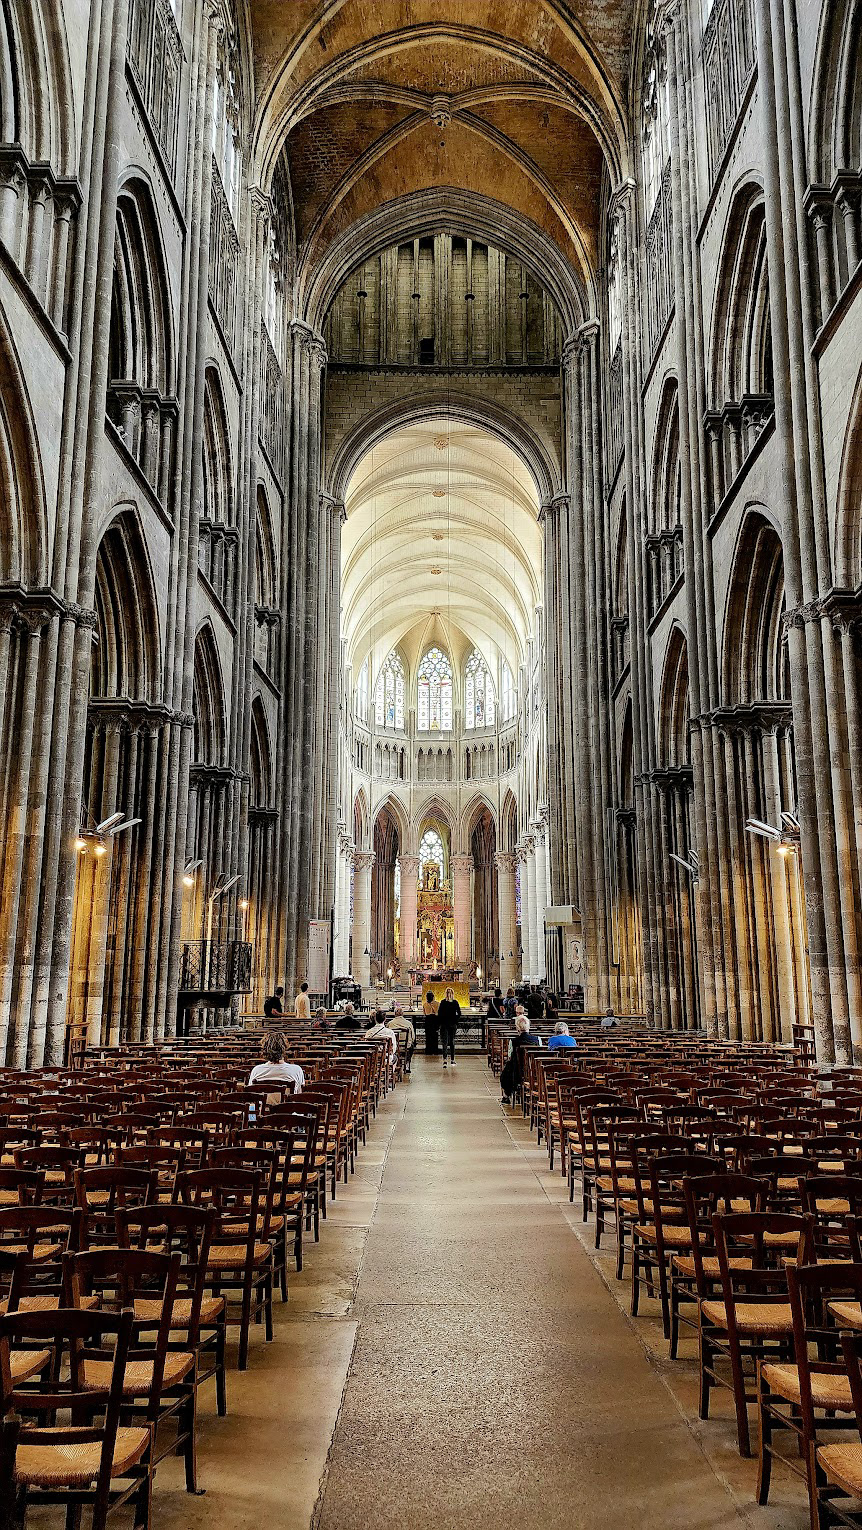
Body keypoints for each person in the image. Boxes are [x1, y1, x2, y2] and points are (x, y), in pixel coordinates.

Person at [499, 1012, 542, 1104]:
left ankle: (506, 1096)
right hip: (534, 1070)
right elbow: (540, 1054)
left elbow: (510, 1056)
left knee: (505, 1074)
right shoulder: (537, 1039)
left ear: (517, 1028)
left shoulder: (513, 1041)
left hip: (517, 1071)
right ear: (528, 1026)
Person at [247, 1031, 304, 1097]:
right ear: (284, 1048)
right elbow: (299, 1095)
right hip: (288, 1106)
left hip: (263, 1106)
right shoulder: (296, 1070)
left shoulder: (257, 1071)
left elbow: (251, 1095)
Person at [437, 986, 461, 1068]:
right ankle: (452, 1060)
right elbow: (459, 1013)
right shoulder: (455, 1002)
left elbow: (439, 1014)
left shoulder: (443, 1002)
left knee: (445, 1042)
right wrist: (455, 1021)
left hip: (445, 1024)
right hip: (452, 1024)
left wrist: (441, 1022)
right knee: (451, 1041)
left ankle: (445, 1060)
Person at [388, 1006, 416, 1074]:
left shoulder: (390, 1023)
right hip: (405, 1046)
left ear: (394, 1014)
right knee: (411, 1046)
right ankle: (407, 1063)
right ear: (403, 1014)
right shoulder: (408, 1023)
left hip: (394, 1046)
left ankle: (396, 1063)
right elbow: (413, 1037)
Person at [422, 989, 439, 1055]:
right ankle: (435, 1050)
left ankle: (428, 1051)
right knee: (435, 1036)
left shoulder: (425, 1004)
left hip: (428, 1020)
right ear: (433, 997)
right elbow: (439, 1012)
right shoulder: (437, 1004)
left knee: (428, 1036)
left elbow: (424, 1013)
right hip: (435, 1020)